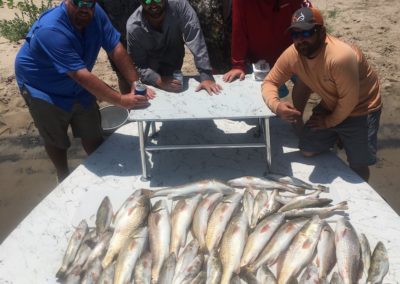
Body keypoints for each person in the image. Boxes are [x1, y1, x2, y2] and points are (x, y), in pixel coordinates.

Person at [15, 0, 155, 182]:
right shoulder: (50, 30)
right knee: (56, 139)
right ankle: (62, 174)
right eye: (78, 2)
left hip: (78, 83)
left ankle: (101, 165)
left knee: (92, 131)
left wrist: (134, 81)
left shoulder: (95, 12)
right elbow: (81, 75)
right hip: (43, 87)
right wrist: (121, 100)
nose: (84, 7)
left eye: (89, 3)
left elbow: (116, 48)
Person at [261, 7, 382, 182]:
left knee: (357, 168)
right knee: (306, 150)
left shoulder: (340, 56)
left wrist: (328, 122)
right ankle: (337, 135)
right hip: (332, 104)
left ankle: (343, 138)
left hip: (362, 108)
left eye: (307, 33)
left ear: (322, 32)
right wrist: (277, 106)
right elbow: (269, 82)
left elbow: (349, 102)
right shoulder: (293, 54)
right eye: (295, 35)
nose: (301, 40)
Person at [126, 0, 222, 95]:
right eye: (147, 0)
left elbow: (195, 38)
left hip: (174, 66)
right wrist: (158, 80)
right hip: (149, 78)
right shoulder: (133, 27)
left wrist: (206, 76)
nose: (153, 4)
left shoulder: (180, 5)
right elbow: (137, 66)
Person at [223, 0, 312, 97]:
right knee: (272, 95)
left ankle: (298, 111)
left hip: (292, 52)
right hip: (261, 59)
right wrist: (238, 65)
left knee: (306, 83)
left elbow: (307, 17)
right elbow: (239, 28)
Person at [97, 0, 141, 93]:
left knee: (148, 73)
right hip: (117, 41)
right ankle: (128, 105)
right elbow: (98, 16)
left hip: (143, 39)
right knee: (123, 76)